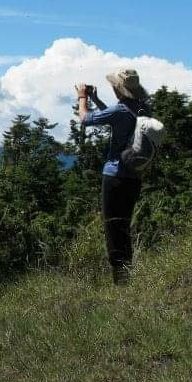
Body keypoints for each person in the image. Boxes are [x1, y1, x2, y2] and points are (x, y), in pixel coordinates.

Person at [76, 69, 150, 285]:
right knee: (124, 226)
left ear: (118, 88)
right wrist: (97, 100)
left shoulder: (120, 110)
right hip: (135, 177)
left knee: (112, 226)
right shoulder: (143, 109)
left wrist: (82, 97)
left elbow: (84, 119)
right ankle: (126, 274)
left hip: (115, 176)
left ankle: (121, 281)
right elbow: (115, 119)